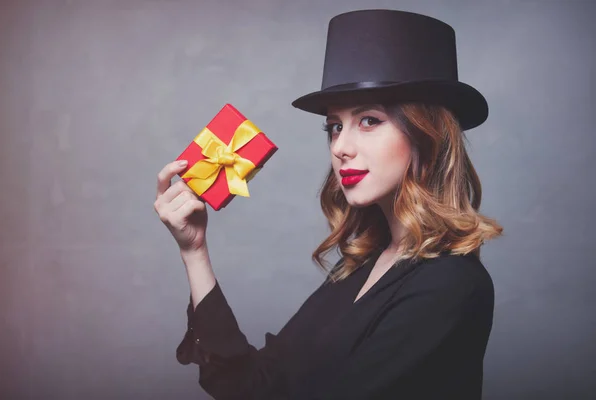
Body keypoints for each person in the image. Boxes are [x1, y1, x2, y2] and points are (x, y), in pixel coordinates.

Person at [154, 9, 503, 400]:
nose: (340, 147)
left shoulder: (451, 285)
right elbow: (250, 386)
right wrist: (194, 250)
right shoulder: (359, 267)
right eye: (335, 126)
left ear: (427, 135)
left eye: (369, 120)